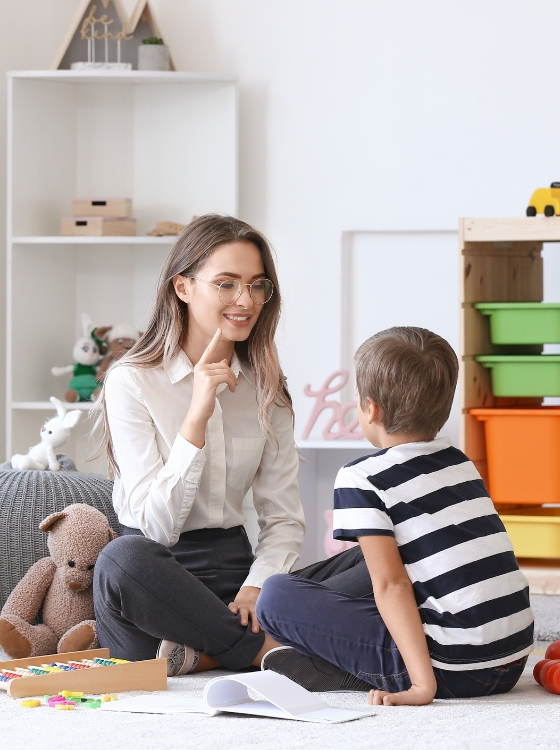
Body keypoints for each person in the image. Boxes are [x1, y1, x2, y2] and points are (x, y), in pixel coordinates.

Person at [256, 327, 534, 705]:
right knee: (364, 560)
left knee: (275, 596)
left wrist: (423, 686)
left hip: (455, 669)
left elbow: (392, 586)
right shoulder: (461, 462)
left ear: (371, 408)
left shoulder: (361, 477)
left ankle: (355, 670)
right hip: (512, 658)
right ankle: (334, 660)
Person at [92, 214, 305, 676]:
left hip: (235, 579)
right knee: (120, 559)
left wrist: (258, 586)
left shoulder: (268, 391)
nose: (245, 301)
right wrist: (197, 416)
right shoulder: (130, 382)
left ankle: (206, 654)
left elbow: (284, 519)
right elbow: (153, 528)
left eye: (257, 285)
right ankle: (265, 653)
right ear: (183, 288)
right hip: (154, 578)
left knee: (370, 563)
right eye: (226, 284)